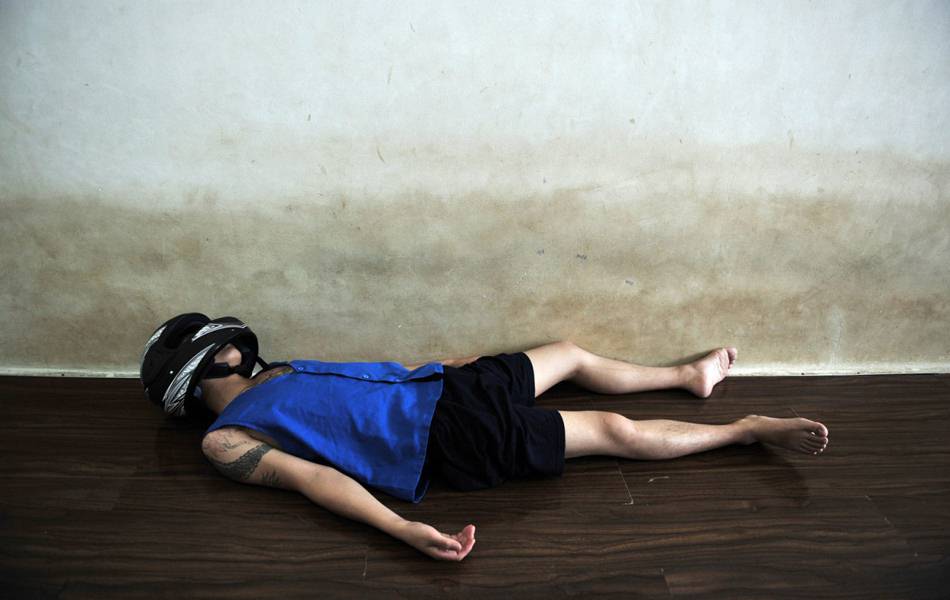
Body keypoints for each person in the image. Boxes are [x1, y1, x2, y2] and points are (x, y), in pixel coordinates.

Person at [140, 313, 829, 562]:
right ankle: (743, 431)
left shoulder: (279, 370)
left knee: (568, 353)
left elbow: (376, 374)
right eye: (219, 349)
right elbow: (314, 479)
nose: (234, 348)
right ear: (194, 374)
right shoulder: (225, 439)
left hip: (449, 387)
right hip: (444, 437)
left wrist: (456, 365)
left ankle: (687, 376)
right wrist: (402, 529)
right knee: (612, 431)